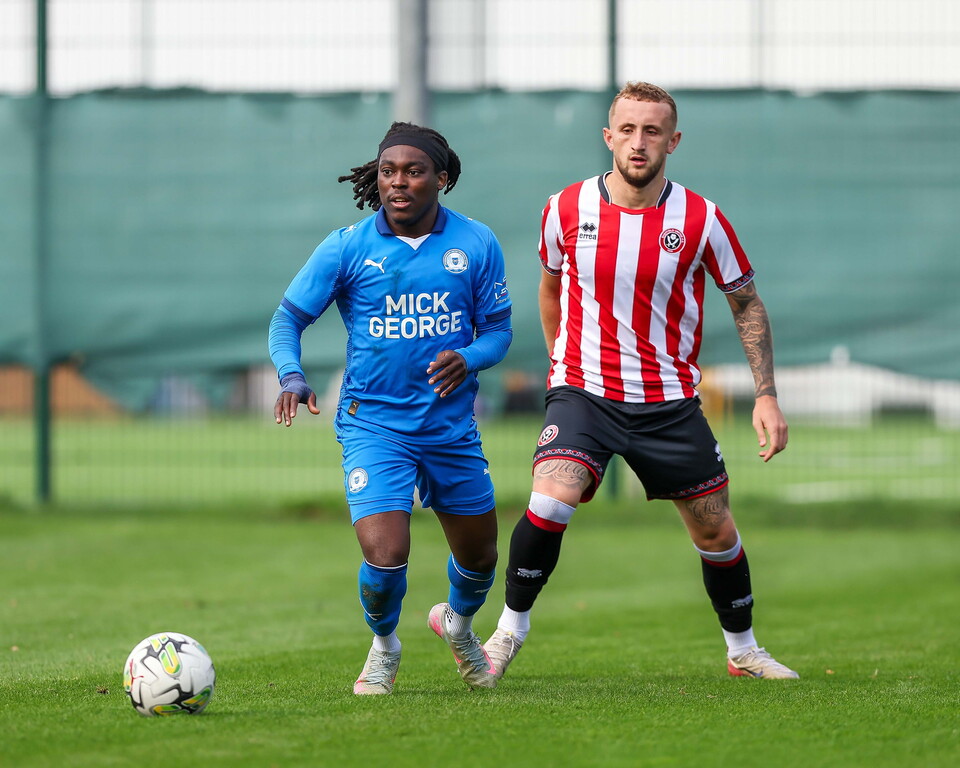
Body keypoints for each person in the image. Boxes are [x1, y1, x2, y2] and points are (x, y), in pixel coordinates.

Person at [483, 82, 798, 681]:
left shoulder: (703, 219)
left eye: (652, 131)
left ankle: (743, 649)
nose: (638, 141)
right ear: (608, 137)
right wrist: (560, 369)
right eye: (627, 129)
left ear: (672, 142)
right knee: (552, 497)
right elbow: (551, 290)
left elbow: (746, 304)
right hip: (584, 390)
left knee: (715, 527)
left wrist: (766, 395)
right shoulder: (565, 209)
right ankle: (505, 635)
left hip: (669, 402)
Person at [269, 122, 512, 694]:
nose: (397, 183)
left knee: (480, 560)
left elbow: (499, 331)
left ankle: (457, 625)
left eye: (413, 171)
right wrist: (292, 374)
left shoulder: (475, 243)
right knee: (385, 555)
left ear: (442, 179)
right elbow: (288, 318)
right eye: (387, 172)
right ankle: (384, 646)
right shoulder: (347, 246)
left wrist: (469, 356)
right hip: (373, 424)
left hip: (450, 429)